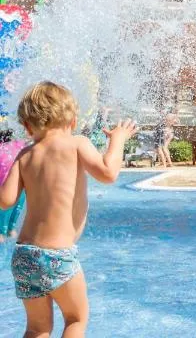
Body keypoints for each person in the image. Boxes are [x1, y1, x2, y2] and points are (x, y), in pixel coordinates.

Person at [0, 81, 136, 338]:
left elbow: (5, 200)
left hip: (24, 255)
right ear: (73, 121)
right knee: (75, 319)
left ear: (28, 127)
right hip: (57, 256)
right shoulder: (77, 144)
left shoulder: (25, 155)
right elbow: (108, 173)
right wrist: (117, 141)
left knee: (37, 327)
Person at [0, 129, 27, 242]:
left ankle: (2, 234)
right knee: (12, 225)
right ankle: (11, 231)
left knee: (1, 227)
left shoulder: (1, 149)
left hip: (4, 189)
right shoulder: (20, 145)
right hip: (21, 188)